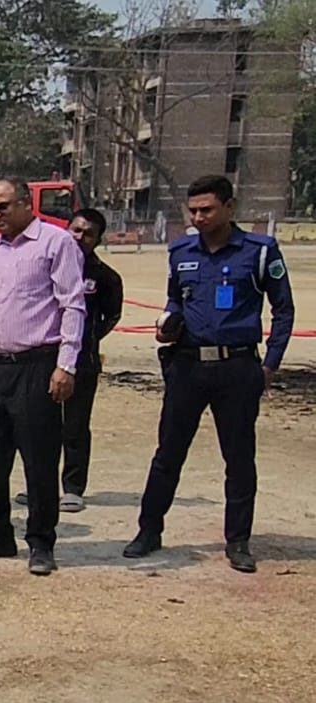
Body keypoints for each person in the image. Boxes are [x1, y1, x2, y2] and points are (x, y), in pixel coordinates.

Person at [124, 175, 295, 574]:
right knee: (168, 453)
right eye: (194, 211)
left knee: (238, 458)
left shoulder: (259, 251)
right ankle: (149, 531)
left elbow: (283, 310)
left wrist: (270, 363)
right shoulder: (180, 250)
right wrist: (168, 323)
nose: (199, 218)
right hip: (187, 366)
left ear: (229, 208)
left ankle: (238, 541)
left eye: (207, 210)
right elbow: (175, 298)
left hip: (237, 368)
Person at [0, 177, 85, 576]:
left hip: (38, 365)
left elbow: (73, 305)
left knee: (39, 459)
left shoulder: (56, 244)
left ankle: (41, 542)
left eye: (3, 207)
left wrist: (66, 364)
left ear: (27, 204)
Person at [15, 208, 123, 515]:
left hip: (82, 363)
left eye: (88, 233)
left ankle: (73, 488)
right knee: (38, 425)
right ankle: (38, 484)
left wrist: (88, 340)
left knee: (74, 426)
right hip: (42, 359)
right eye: (75, 230)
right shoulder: (45, 265)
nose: (79, 237)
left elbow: (112, 315)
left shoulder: (105, 277)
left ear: (98, 239)